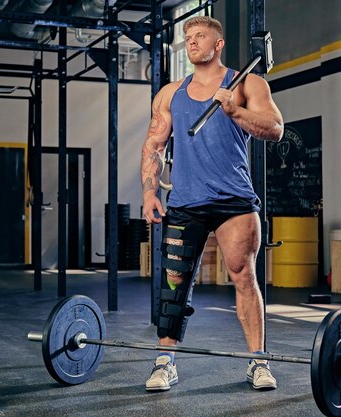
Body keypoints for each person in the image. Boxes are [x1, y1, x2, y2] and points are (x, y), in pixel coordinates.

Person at [140, 15, 284, 392]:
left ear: (217, 45)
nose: (191, 42)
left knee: (244, 276)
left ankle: (259, 361)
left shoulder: (247, 83)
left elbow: (275, 128)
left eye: (199, 36)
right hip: (186, 201)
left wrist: (235, 111)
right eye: (187, 37)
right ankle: (164, 362)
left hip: (234, 200)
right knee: (174, 284)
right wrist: (149, 192)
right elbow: (154, 145)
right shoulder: (170, 94)